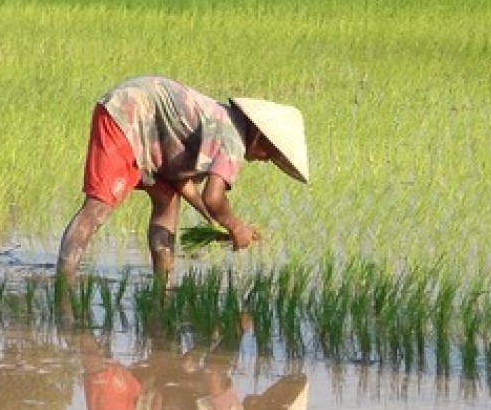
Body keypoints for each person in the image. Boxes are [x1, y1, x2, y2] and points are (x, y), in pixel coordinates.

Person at [55, 75, 309, 289]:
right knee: (98, 207)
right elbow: (214, 197)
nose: (266, 160)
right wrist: (235, 226)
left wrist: (213, 219)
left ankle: (162, 289)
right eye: (270, 153)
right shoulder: (233, 139)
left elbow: (182, 183)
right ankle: (62, 289)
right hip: (127, 113)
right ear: (260, 137)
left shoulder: (225, 122)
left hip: (151, 130)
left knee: (168, 201)